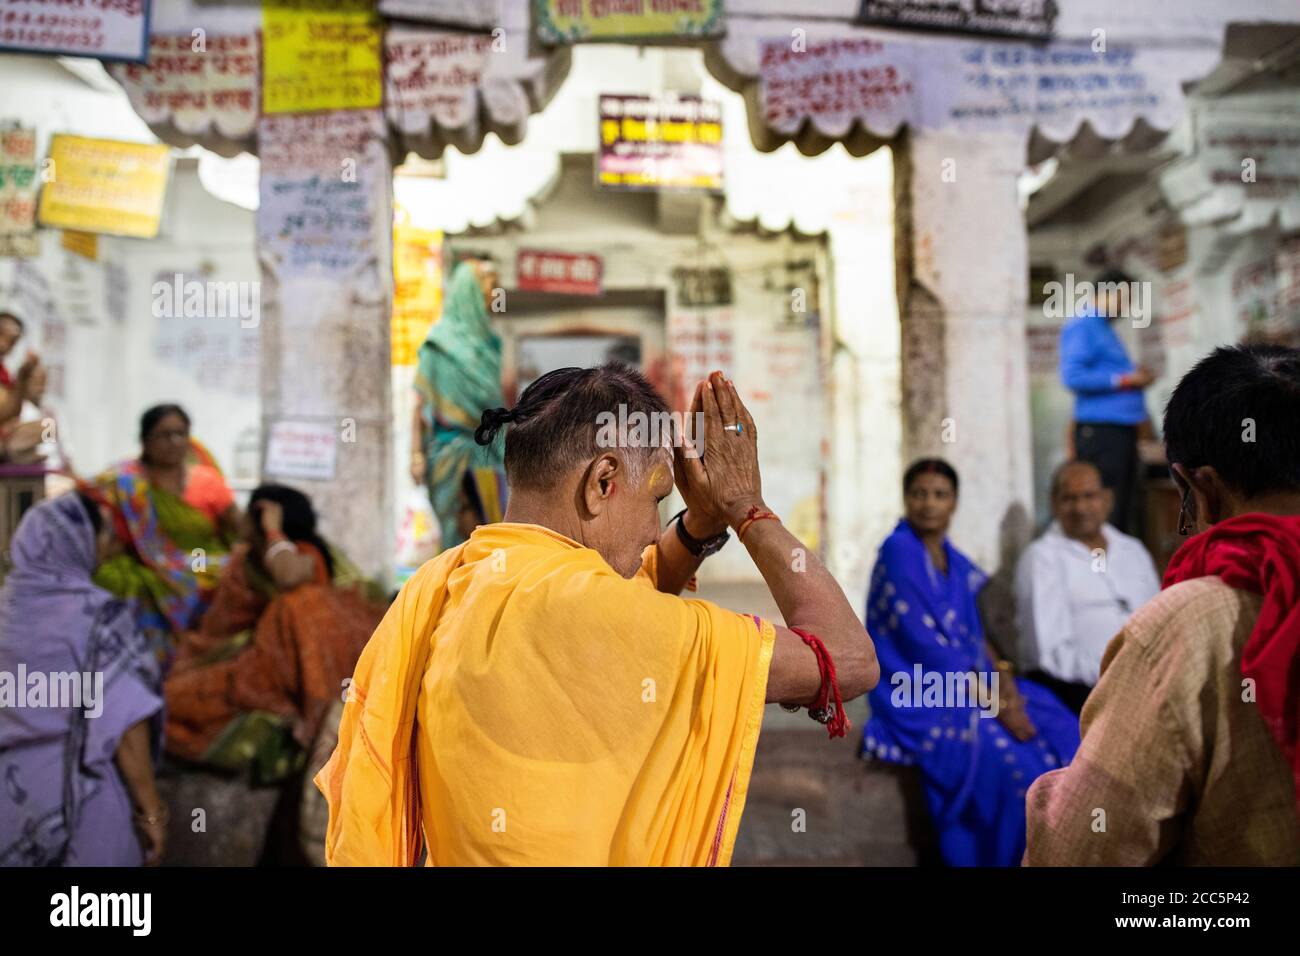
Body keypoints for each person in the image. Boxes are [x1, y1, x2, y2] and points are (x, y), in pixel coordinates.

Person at [318, 365, 878, 866]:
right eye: (658, 499)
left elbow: (637, 585)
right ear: (602, 482)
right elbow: (848, 659)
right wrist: (746, 509)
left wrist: (700, 525)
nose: (651, 530)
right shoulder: (597, 609)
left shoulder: (446, 581)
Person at [1025, 344, 1300, 865]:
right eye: (1070, 497)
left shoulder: (1190, 624)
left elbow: (1079, 850)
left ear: (1203, 489)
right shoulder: (1045, 557)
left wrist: (1054, 794)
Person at [862, 458, 1080, 867]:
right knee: (1009, 764)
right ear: (906, 499)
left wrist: (1008, 691)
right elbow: (930, 651)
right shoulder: (899, 552)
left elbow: (975, 637)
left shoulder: (953, 560)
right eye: (919, 494)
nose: (929, 503)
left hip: (970, 681)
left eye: (940, 495)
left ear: (954, 502)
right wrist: (998, 706)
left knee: (1059, 723)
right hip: (917, 687)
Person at [164, 484, 386, 784]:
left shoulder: (303, 554)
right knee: (170, 695)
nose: (241, 519)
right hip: (233, 651)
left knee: (178, 704)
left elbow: (289, 578)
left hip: (272, 663)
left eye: (251, 513)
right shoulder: (248, 557)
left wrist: (273, 532)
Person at [0, 492, 167, 866]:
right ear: (77, 543)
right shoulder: (101, 617)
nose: (108, 548)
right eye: (104, 536)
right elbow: (126, 729)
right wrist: (151, 813)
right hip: (78, 802)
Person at [1014, 460, 1160, 713]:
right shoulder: (1041, 559)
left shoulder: (1133, 551)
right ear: (1054, 503)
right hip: (1077, 696)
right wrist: (1120, 676)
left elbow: (1159, 622)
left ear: (1108, 499)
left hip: (1148, 686)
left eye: (1089, 496)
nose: (1080, 508)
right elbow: (1050, 655)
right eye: (1069, 498)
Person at [94, 404, 240, 643]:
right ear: (145, 440)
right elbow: (108, 531)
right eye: (164, 435)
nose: (174, 442)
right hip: (146, 559)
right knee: (117, 580)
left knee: (207, 576)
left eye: (180, 434)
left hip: (200, 555)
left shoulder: (207, 480)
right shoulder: (127, 481)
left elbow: (240, 528)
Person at [409, 258, 507, 552]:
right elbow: (419, 403)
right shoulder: (440, 343)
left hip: (488, 453)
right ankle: (450, 593)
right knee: (452, 533)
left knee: (490, 532)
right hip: (447, 454)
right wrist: (415, 455)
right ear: (469, 294)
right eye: (487, 290)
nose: (494, 298)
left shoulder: (491, 345)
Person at [1059, 269, 1153, 533]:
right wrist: (1126, 380)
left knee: (1121, 508)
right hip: (1102, 433)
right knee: (1106, 509)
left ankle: (1114, 570)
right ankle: (1098, 568)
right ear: (1107, 293)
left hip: (1118, 431)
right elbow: (1072, 377)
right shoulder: (1083, 325)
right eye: (1125, 297)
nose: (1128, 305)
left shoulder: (1102, 328)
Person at [0, 310, 47, 463]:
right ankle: (14, 454)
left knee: (50, 428)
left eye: (13, 340)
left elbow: (14, 409)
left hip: (9, 435)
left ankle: (16, 454)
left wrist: (26, 379)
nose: (5, 343)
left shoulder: (6, 373)